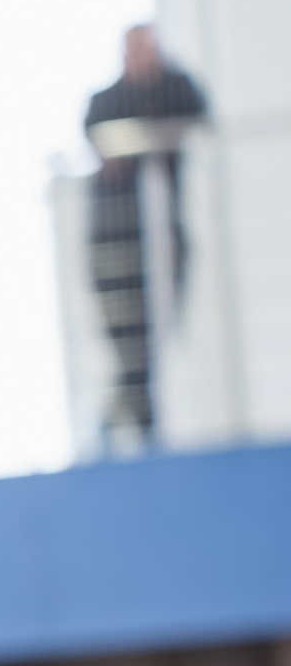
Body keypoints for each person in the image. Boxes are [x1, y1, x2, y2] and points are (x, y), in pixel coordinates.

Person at [84, 24, 209, 446]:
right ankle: (138, 428)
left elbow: (198, 112)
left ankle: (129, 423)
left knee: (155, 339)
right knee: (129, 344)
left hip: (165, 237)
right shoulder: (105, 101)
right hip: (115, 243)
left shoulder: (175, 86)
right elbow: (98, 137)